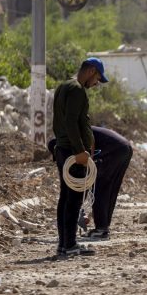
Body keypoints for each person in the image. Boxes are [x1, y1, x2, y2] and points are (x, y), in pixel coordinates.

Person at [51, 57, 108, 257]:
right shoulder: (76, 89)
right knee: (74, 199)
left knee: (66, 197)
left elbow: (61, 121)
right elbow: (71, 122)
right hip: (72, 153)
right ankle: (70, 244)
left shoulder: (64, 86)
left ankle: (64, 244)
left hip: (63, 150)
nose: (96, 84)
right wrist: (79, 151)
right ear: (91, 71)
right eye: (98, 79)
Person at [48, 126, 133, 240]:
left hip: (114, 149)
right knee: (110, 187)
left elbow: (90, 141)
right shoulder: (71, 140)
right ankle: (103, 227)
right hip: (124, 148)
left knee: (99, 187)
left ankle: (101, 229)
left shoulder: (71, 137)